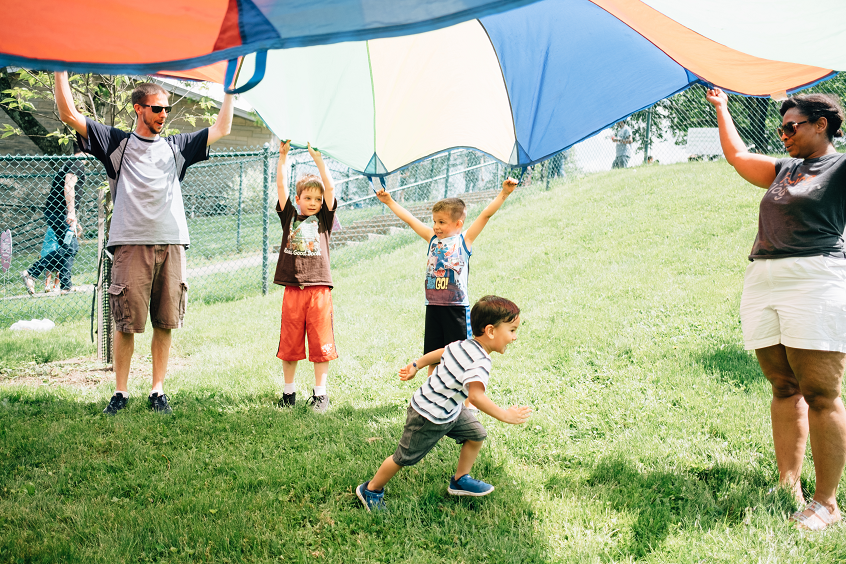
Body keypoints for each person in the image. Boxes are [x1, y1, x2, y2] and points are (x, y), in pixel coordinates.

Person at [53, 71, 234, 416]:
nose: (163, 115)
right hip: (130, 245)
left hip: (172, 244)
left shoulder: (176, 147)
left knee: (165, 322)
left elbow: (222, 128)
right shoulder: (116, 143)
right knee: (126, 324)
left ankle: (157, 391)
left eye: (166, 109)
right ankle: (120, 392)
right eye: (156, 109)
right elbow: (69, 114)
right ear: (138, 109)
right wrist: (61, 69)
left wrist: (230, 90)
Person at [706, 86, 846, 531]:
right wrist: (722, 109)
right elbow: (737, 156)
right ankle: (789, 483)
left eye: (792, 127)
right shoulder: (785, 169)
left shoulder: (840, 166)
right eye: (780, 128)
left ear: (821, 124)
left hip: (815, 278)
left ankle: (826, 502)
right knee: (784, 386)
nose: (783, 134)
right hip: (764, 278)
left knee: (821, 394)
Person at [356, 295, 532, 511]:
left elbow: (442, 352)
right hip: (428, 415)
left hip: (450, 410)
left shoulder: (465, 344)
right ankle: (371, 489)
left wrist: (416, 364)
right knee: (403, 458)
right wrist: (506, 415)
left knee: (476, 434)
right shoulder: (480, 362)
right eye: (512, 330)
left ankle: (460, 479)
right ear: (491, 331)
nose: (514, 337)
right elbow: (476, 397)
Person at [375, 178, 518, 377]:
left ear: (458, 223)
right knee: (433, 355)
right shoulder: (431, 238)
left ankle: (465, 403)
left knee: (461, 356)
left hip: (456, 308)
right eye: (434, 221)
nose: (436, 226)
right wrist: (389, 201)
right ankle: (431, 398)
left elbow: (485, 215)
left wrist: (504, 193)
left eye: (442, 222)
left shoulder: (464, 240)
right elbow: (409, 219)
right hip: (433, 307)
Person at [274, 140, 337, 412]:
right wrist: (283, 158)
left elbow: (330, 187)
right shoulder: (289, 216)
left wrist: (318, 160)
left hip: (319, 290)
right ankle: (289, 393)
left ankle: (320, 394)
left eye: (318, 199)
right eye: (308, 198)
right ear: (298, 200)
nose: (313, 203)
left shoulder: (325, 219)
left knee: (321, 344)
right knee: (290, 343)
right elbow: (281, 187)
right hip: (293, 290)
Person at [20, 144, 86, 295]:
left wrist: (73, 216)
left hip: (56, 212)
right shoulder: (77, 164)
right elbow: (68, 186)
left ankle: (65, 285)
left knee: (69, 248)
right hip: (60, 213)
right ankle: (32, 273)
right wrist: (71, 213)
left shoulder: (69, 163)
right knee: (71, 248)